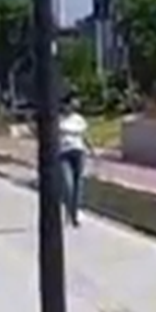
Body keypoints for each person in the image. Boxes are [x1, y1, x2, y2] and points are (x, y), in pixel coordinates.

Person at [58, 96, 90, 228]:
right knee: (68, 184)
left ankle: (75, 213)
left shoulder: (79, 119)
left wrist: (91, 150)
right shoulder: (58, 118)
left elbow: (83, 133)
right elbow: (56, 131)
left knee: (79, 183)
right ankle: (70, 211)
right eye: (68, 105)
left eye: (72, 105)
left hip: (79, 152)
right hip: (63, 153)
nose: (71, 107)